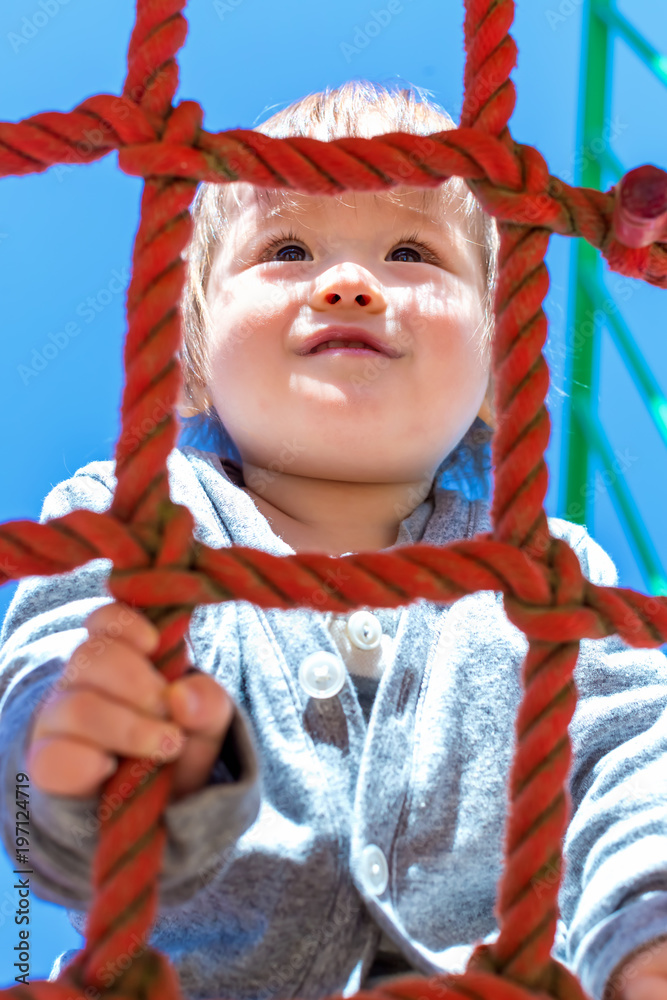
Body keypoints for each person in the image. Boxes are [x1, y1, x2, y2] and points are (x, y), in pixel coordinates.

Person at [1, 80, 667, 1000]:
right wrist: (80, 748)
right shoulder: (141, 517)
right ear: (191, 355)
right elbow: (36, 774)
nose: (348, 283)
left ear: (494, 364)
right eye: (286, 248)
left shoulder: (546, 570)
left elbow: (632, 751)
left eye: (408, 250)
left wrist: (644, 932)